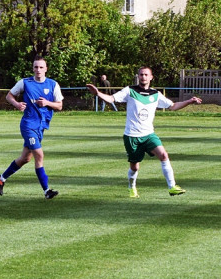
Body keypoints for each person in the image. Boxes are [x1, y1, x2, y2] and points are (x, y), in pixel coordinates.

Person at [86, 66, 201, 197]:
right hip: (132, 136)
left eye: (146, 75)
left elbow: (173, 106)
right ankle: (132, 187)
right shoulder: (130, 91)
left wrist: (190, 101)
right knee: (135, 167)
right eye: (141, 75)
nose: (143, 77)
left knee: (163, 155)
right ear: (138, 76)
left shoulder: (156, 94)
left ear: (151, 77)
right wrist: (98, 93)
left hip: (148, 135)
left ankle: (172, 186)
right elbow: (112, 98)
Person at [0, 58, 63, 199]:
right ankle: (46, 191)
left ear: (46, 68)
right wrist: (17, 104)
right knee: (39, 155)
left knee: (25, 158)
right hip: (28, 125)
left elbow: (60, 106)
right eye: (36, 67)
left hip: (40, 127)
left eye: (41, 67)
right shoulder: (25, 82)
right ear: (33, 68)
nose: (38, 70)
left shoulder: (53, 85)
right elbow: (9, 96)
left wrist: (47, 103)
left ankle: (1, 178)